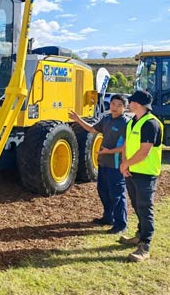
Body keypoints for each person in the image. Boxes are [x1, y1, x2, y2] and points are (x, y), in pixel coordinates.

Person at [69, 94, 129, 234]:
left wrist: (109, 152)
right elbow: (92, 129)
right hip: (103, 163)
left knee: (117, 195)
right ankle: (108, 217)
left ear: (124, 108)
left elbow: (126, 147)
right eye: (113, 104)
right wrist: (78, 120)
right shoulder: (107, 119)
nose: (115, 107)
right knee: (103, 191)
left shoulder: (126, 124)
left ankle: (121, 225)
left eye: (119, 105)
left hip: (116, 164)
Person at [119, 90, 164, 262]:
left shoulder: (151, 124)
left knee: (145, 208)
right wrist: (124, 164)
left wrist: (126, 164)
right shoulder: (133, 122)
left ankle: (145, 245)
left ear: (136, 104)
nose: (128, 105)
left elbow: (145, 151)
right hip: (131, 170)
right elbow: (126, 144)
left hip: (146, 174)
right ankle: (139, 234)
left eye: (130, 102)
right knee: (137, 205)